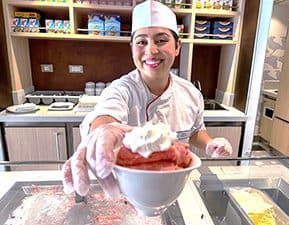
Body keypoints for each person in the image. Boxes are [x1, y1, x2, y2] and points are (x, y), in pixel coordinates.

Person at [62, 0, 233, 198]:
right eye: (141, 42)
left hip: (175, 188)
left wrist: (210, 144)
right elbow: (105, 116)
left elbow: (195, 131)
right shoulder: (122, 89)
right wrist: (102, 132)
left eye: (161, 40)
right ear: (132, 47)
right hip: (130, 192)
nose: (151, 50)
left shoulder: (191, 93)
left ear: (178, 46)